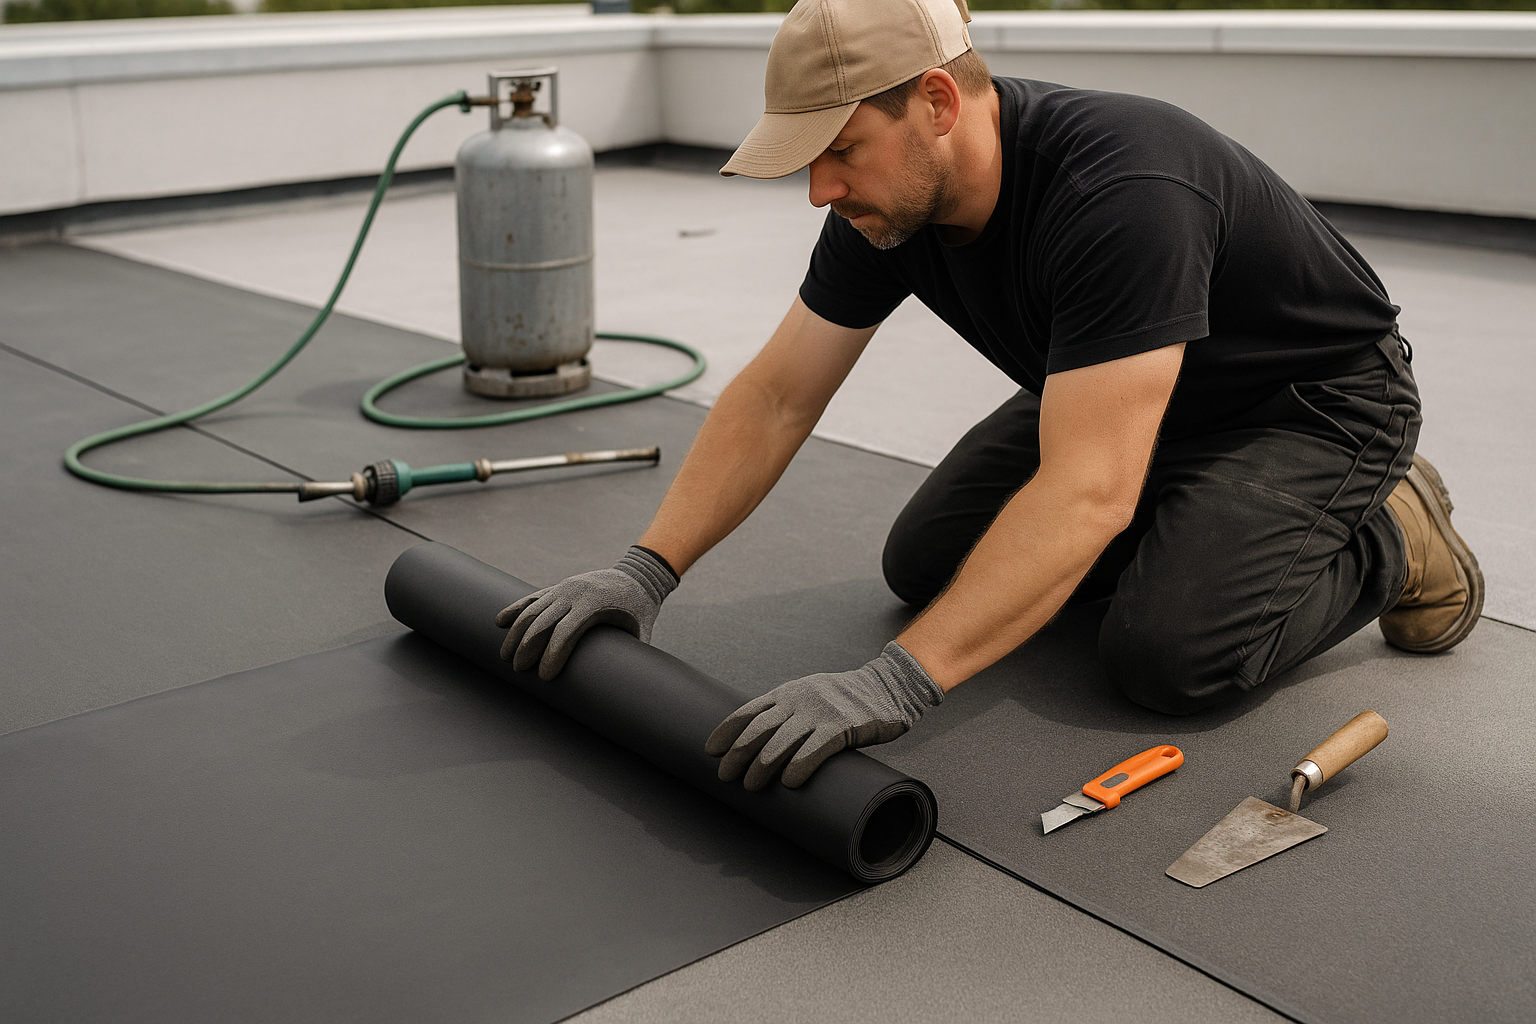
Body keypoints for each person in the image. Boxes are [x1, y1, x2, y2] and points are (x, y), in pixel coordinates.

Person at [496, 0, 1484, 793]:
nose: (818, 189)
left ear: (935, 101)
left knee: (1166, 656)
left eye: (840, 150)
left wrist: (896, 681)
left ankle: (1397, 532)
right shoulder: (887, 208)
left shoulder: (1122, 190)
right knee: (928, 561)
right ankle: (1198, 516)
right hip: (1133, 391)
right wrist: (644, 569)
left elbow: (1091, 492)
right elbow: (777, 395)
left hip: (1309, 405)